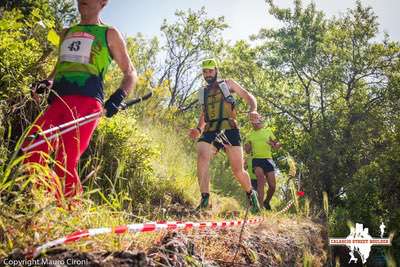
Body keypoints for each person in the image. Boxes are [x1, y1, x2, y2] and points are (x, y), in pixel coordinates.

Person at [24, 0, 137, 199]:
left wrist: (118, 97)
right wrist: (47, 83)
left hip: (87, 104)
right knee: (31, 150)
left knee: (65, 161)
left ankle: (69, 212)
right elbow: (59, 67)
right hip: (58, 101)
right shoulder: (66, 32)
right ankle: (41, 205)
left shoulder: (108, 33)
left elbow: (130, 72)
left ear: (103, 2)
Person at [188, 58, 261, 213]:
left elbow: (248, 96)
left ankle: (251, 194)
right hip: (211, 129)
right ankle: (205, 199)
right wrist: (198, 129)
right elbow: (204, 113)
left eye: (210, 71)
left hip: (230, 128)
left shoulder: (228, 84)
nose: (208, 74)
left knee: (238, 171)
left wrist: (253, 109)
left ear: (216, 70)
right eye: (205, 72)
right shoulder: (203, 92)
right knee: (202, 156)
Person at [244, 118, 281, 210]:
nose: (254, 125)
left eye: (256, 123)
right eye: (253, 123)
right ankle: (260, 208)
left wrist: (274, 145)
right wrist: (248, 147)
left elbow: (278, 144)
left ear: (261, 123)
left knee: (272, 186)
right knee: (261, 181)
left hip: (268, 160)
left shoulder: (268, 131)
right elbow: (247, 151)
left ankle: (266, 202)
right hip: (257, 160)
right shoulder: (250, 135)